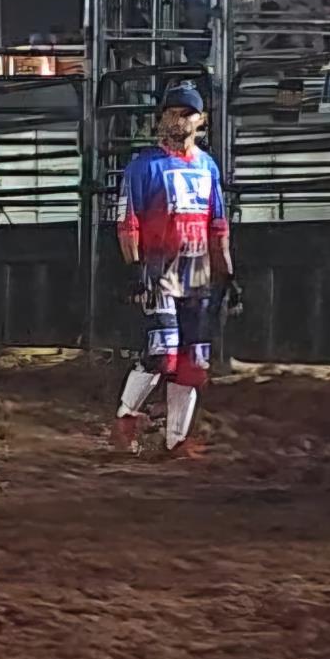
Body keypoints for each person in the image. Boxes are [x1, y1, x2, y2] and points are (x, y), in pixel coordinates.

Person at [112, 83, 243, 458]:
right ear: (161, 119)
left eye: (187, 114)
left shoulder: (207, 166)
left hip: (197, 275)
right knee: (161, 353)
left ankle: (176, 438)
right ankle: (126, 418)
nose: (180, 121)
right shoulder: (144, 165)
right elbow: (129, 221)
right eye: (173, 113)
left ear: (200, 121)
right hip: (160, 273)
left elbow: (218, 225)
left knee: (194, 362)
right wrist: (136, 267)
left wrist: (227, 274)